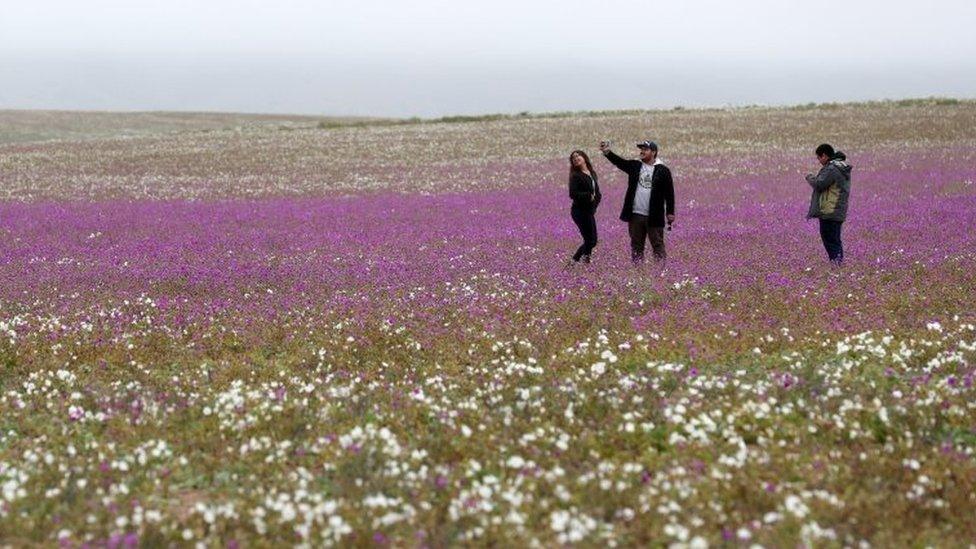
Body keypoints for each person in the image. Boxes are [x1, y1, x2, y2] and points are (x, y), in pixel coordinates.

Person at [599, 139, 675, 262]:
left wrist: (670, 212)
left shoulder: (663, 170)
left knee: (658, 245)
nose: (642, 151)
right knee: (636, 246)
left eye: (645, 149)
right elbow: (620, 162)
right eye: (641, 149)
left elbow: (669, 193)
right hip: (635, 215)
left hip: (655, 216)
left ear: (654, 152)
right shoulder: (635, 166)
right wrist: (607, 152)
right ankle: (638, 273)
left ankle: (661, 273)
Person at [805, 143, 852, 264]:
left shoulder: (832, 168)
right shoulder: (841, 167)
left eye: (819, 158)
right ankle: (837, 264)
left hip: (830, 210)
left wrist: (810, 177)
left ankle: (836, 264)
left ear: (824, 156)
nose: (819, 161)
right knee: (835, 239)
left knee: (830, 239)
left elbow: (820, 184)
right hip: (837, 210)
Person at [568, 150, 601, 263]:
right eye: (573, 158)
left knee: (592, 240)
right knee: (590, 240)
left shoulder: (592, 173)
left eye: (578, 156)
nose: (576, 158)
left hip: (589, 211)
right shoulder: (576, 176)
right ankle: (576, 262)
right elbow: (573, 194)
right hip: (579, 211)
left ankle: (580, 262)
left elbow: (597, 192)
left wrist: (595, 204)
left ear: (584, 157)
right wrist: (588, 196)